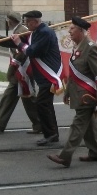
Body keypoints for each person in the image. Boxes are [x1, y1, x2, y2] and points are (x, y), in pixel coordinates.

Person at [48, 17, 97, 168]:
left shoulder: (91, 48)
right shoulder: (78, 47)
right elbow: (74, 75)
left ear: (81, 31)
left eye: (72, 28)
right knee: (89, 125)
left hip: (87, 95)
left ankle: (65, 156)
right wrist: (68, 92)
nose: (69, 31)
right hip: (78, 93)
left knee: (78, 125)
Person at [0, 12, 42, 134]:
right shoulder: (19, 29)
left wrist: (13, 67)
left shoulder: (22, 30)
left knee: (28, 98)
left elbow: (23, 50)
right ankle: (0, 122)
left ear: (9, 21)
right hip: (21, 70)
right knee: (12, 95)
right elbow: (10, 42)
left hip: (23, 70)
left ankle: (40, 124)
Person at [16, 10, 62, 145]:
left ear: (35, 22)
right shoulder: (36, 32)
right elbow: (18, 42)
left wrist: (19, 42)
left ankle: (51, 134)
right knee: (45, 105)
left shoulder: (45, 33)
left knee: (42, 104)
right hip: (43, 76)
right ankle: (52, 133)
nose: (26, 25)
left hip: (49, 75)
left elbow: (31, 51)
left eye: (27, 22)